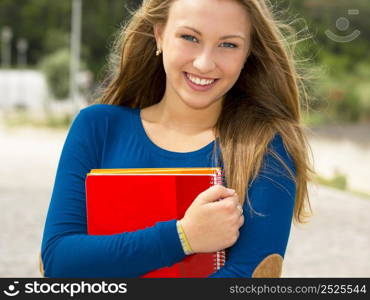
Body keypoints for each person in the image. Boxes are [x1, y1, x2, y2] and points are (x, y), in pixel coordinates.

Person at [40, 0, 313, 278]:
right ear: (159, 35)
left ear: (247, 54)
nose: (204, 63)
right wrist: (183, 237)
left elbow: (248, 277)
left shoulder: (267, 147)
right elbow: (59, 263)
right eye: (189, 37)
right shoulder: (97, 127)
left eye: (228, 44)